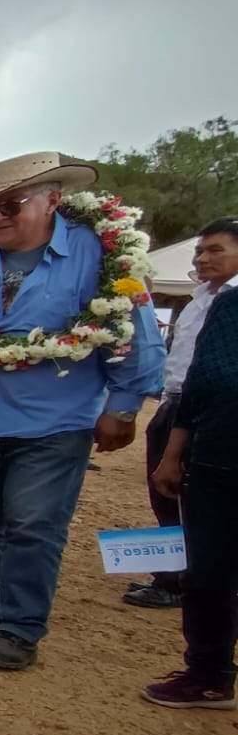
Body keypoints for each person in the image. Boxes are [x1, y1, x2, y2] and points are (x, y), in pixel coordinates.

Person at [0, 153, 165, 669]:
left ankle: (20, 628)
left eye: (11, 205)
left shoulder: (101, 255)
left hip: (56, 422)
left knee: (32, 524)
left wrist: (123, 407)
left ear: (52, 201)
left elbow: (134, 337)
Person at [143, 287, 238, 735]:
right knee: (205, 575)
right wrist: (174, 452)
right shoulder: (229, 306)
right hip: (216, 456)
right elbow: (199, 383)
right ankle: (208, 674)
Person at [127, 217, 238, 609]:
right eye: (199, 251)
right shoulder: (199, 298)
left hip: (214, 416)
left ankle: (197, 581)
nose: (202, 258)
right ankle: (173, 577)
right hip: (173, 405)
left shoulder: (232, 302)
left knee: (203, 502)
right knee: (164, 494)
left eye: (215, 250)